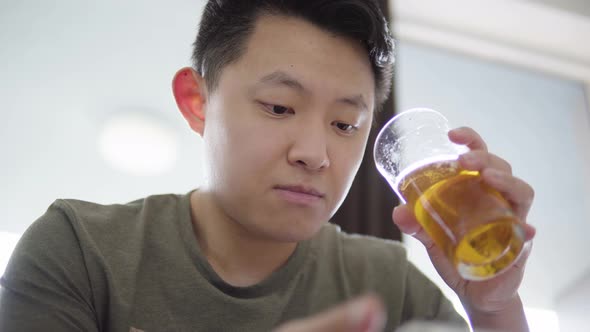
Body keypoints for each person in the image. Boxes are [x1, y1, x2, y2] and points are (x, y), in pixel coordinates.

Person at [0, 0, 536, 331]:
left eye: (346, 124)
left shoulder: (389, 283)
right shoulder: (80, 252)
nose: (315, 153)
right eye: (280, 107)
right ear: (197, 101)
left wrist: (493, 309)